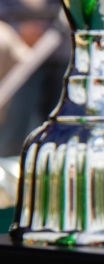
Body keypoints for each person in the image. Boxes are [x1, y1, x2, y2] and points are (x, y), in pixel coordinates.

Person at [0, 0, 69, 157]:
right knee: (15, 128)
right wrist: (18, 30)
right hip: (18, 61)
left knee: (58, 132)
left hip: (60, 57)